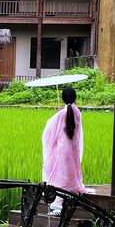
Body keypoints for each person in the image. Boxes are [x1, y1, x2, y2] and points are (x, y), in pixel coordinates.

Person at [42, 86, 91, 214]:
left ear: (63, 98)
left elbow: (48, 132)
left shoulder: (62, 114)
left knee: (61, 172)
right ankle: (70, 193)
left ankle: (59, 201)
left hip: (62, 149)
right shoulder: (77, 112)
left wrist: (58, 113)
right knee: (71, 171)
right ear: (75, 97)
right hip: (73, 149)